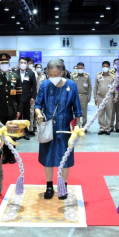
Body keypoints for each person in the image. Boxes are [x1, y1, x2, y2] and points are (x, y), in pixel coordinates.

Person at [35, 59, 82, 200]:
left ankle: (63, 185)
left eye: (56, 74)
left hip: (65, 128)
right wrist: (39, 115)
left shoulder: (71, 85)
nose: (53, 77)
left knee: (65, 158)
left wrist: (78, 125)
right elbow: (37, 105)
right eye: (50, 75)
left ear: (62, 72)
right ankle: (49, 186)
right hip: (48, 127)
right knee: (47, 157)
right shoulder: (44, 85)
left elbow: (77, 109)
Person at [93, 61, 118, 135]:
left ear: (109, 67)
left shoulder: (113, 76)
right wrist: (95, 97)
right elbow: (95, 87)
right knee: (100, 113)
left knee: (109, 113)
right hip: (100, 97)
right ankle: (102, 128)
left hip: (109, 97)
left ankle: (107, 128)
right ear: (102, 67)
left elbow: (115, 88)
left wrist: (116, 96)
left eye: (106, 66)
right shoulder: (98, 76)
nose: (105, 68)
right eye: (104, 66)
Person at [15, 57, 36, 140]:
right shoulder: (14, 73)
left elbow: (34, 87)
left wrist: (33, 97)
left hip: (27, 98)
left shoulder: (31, 73)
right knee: (18, 116)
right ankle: (19, 132)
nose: (23, 64)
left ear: (27, 64)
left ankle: (26, 132)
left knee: (27, 116)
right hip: (17, 98)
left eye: (24, 62)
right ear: (18, 64)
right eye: (21, 62)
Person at [71, 62, 92, 129]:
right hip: (75, 96)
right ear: (76, 68)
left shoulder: (87, 76)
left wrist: (89, 97)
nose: (80, 69)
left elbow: (90, 86)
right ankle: (76, 126)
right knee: (75, 111)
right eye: (78, 68)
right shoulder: (73, 75)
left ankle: (84, 126)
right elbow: (70, 86)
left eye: (81, 68)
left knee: (84, 112)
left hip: (84, 96)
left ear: (83, 68)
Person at [110, 59, 119, 133]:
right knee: (111, 111)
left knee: (118, 111)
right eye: (115, 63)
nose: (116, 64)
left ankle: (117, 126)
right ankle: (111, 126)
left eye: (118, 63)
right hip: (111, 94)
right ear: (113, 64)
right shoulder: (110, 72)